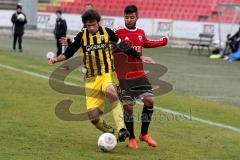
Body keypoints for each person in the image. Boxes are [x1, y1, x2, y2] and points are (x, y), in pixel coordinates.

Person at [48, 9, 152, 141]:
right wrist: (56, 59)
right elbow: (68, 53)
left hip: (106, 74)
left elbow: (124, 46)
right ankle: (109, 130)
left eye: (93, 25)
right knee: (94, 118)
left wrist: (140, 56)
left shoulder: (107, 32)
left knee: (112, 93)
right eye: (88, 25)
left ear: (98, 22)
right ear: (85, 25)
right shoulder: (82, 36)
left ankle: (122, 129)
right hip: (91, 80)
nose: (91, 28)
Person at [114, 5, 169, 149]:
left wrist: (164, 40)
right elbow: (110, 47)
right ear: (124, 17)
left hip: (139, 75)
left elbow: (147, 43)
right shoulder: (118, 32)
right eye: (127, 17)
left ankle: (144, 134)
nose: (129, 20)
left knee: (150, 100)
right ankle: (131, 137)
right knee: (128, 108)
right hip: (124, 77)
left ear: (137, 17)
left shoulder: (140, 33)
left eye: (132, 17)